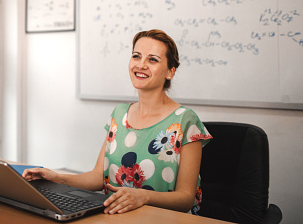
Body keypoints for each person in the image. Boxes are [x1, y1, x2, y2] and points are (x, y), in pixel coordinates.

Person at [23, 29, 212, 215]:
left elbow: (186, 197)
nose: (141, 64)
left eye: (152, 59)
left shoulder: (185, 120)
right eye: (136, 56)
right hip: (115, 217)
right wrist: (58, 178)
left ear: (170, 71)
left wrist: (143, 196)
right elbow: (98, 176)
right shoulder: (119, 113)